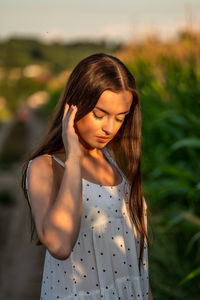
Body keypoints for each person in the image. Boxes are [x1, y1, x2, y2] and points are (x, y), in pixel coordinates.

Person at [21, 53, 153, 300]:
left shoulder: (113, 159)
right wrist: (73, 158)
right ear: (74, 104)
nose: (110, 128)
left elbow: (137, 262)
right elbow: (59, 245)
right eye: (99, 114)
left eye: (120, 117)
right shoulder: (46, 167)